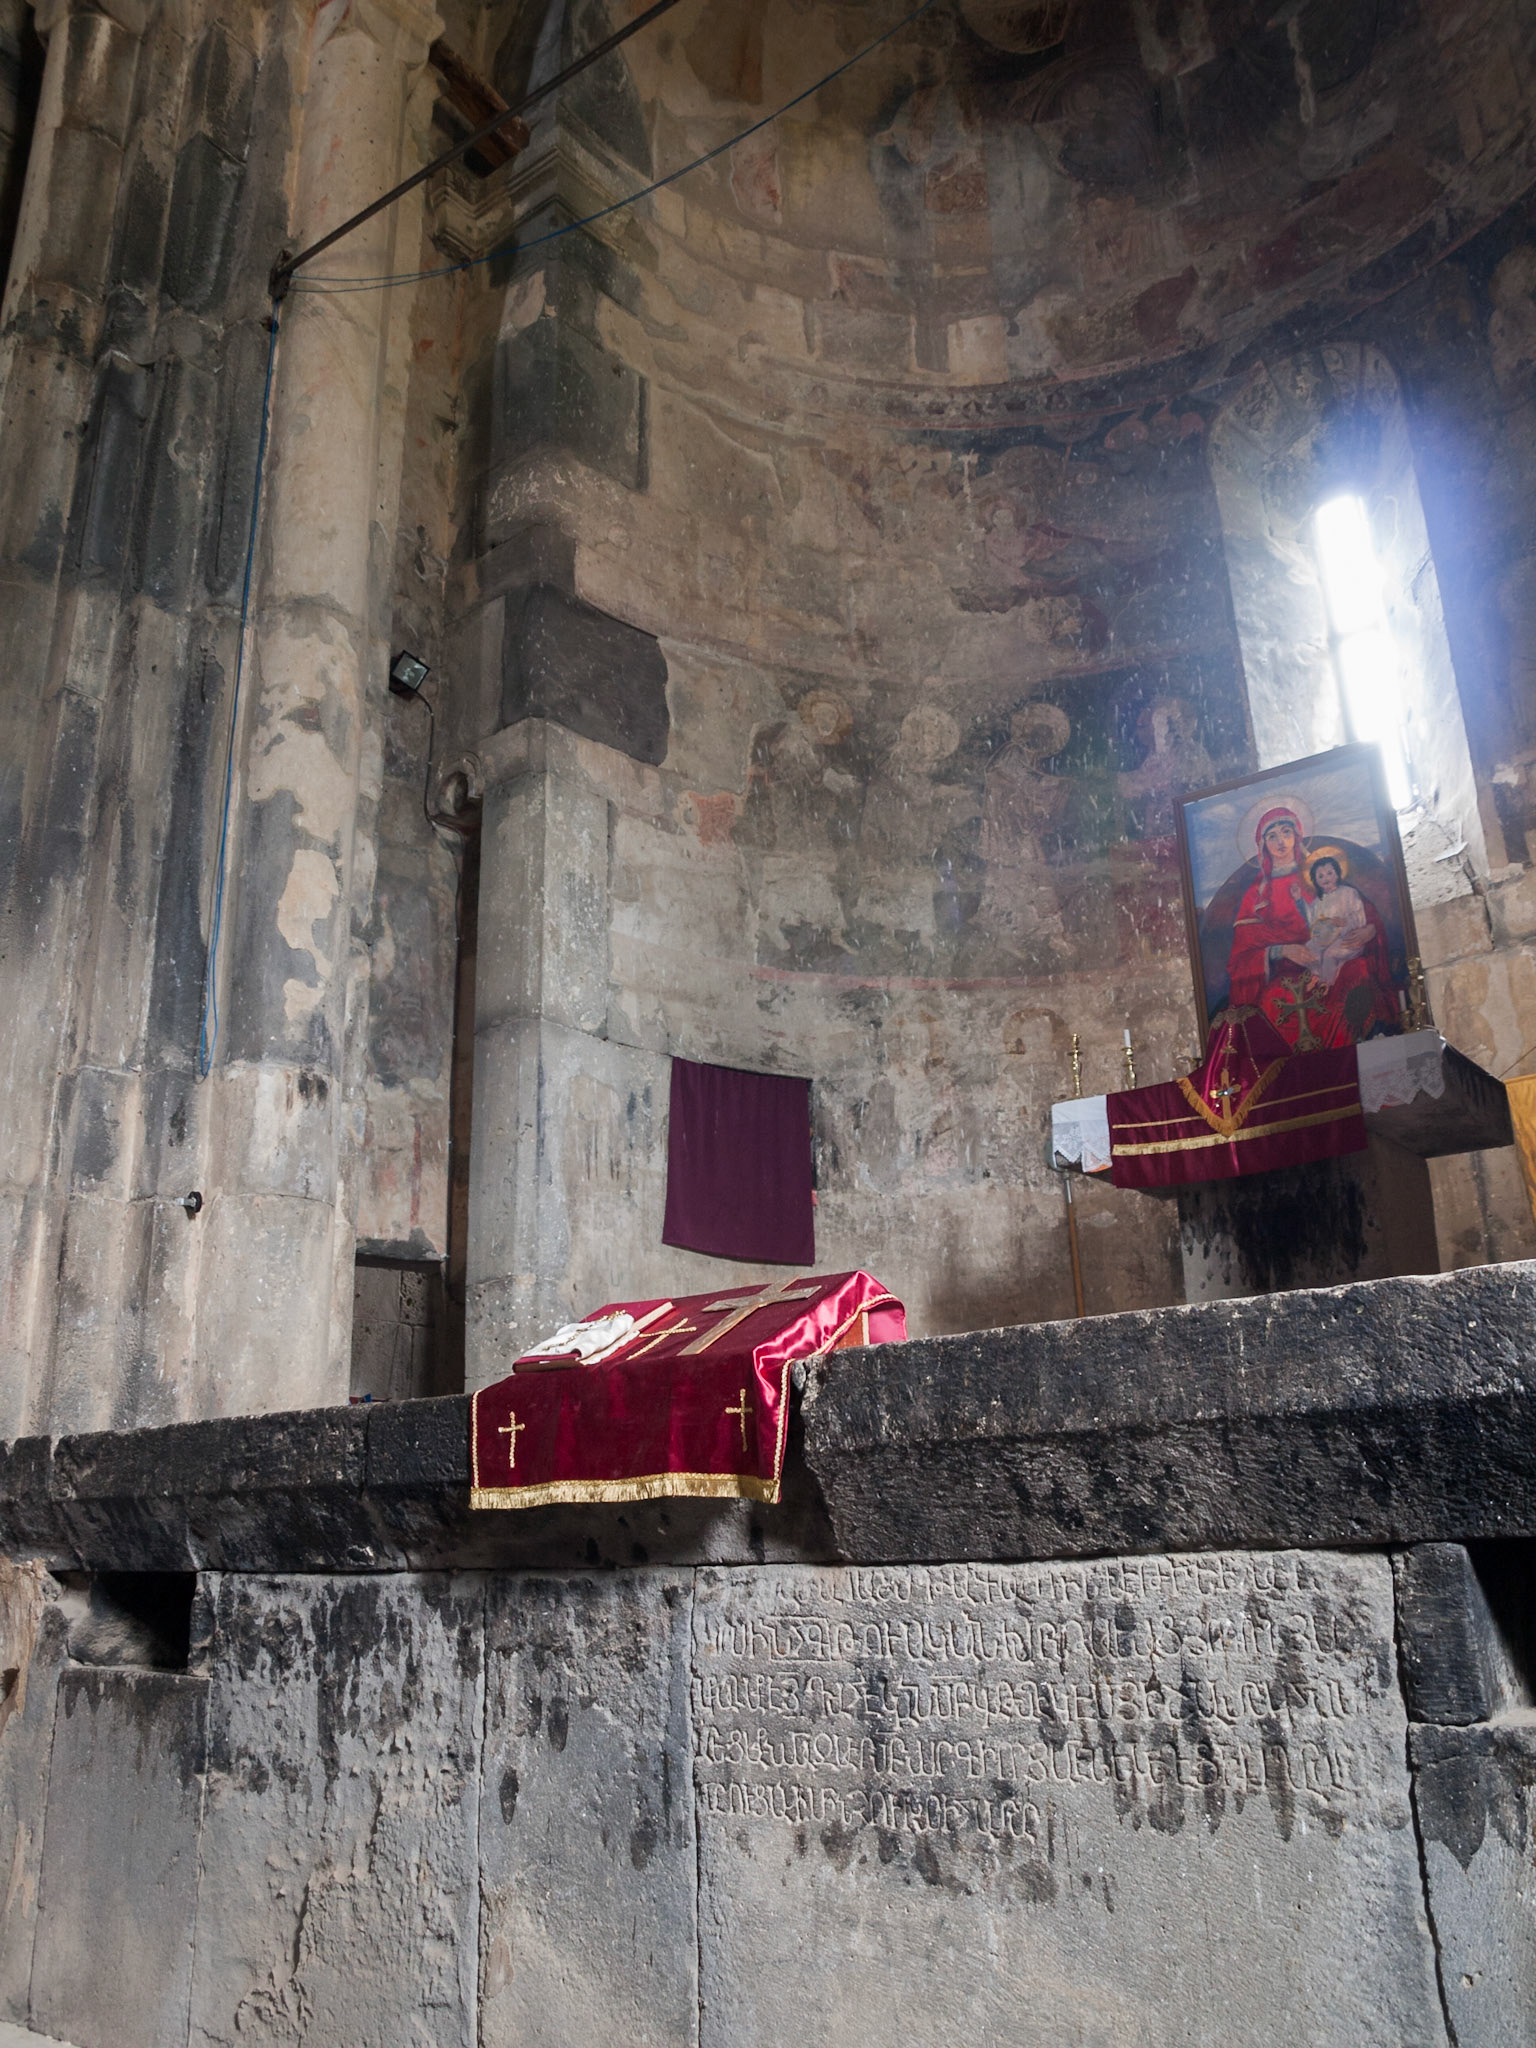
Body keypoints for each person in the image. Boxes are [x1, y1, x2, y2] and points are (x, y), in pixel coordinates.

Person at [1224, 806, 1397, 1048]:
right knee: (1274, 1000)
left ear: (1297, 835)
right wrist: (1280, 951)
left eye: (1286, 832)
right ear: (1263, 844)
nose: (1280, 841)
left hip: (1334, 955)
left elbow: (1354, 905)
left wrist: (1369, 930)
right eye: (1272, 836)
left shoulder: (1320, 872)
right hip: (1287, 971)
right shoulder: (1257, 892)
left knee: (1357, 972)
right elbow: (1241, 954)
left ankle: (1352, 1056)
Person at [1302, 854, 1370, 989]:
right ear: (1315, 880)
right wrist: (1300, 901)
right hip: (1326, 939)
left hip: (1348, 937)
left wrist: (1344, 922)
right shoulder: (1317, 902)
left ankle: (1326, 984)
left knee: (1329, 954)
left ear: (1337, 874)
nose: (1325, 878)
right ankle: (1315, 975)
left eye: (1329, 873)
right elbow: (1313, 922)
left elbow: (1359, 917)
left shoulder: (1349, 893)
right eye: (1320, 876)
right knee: (1310, 948)